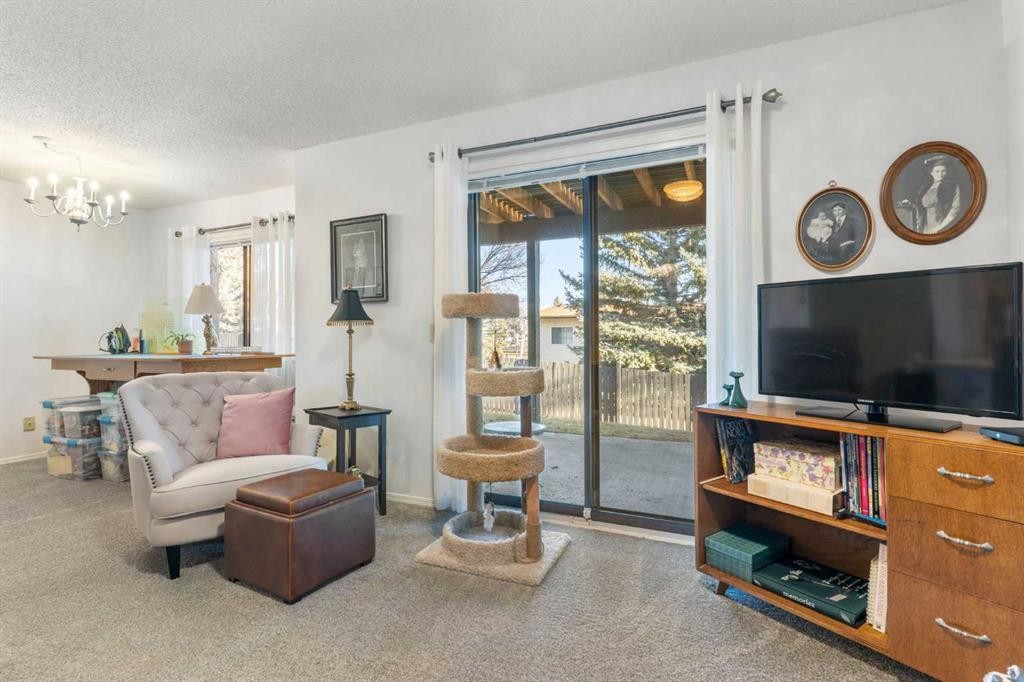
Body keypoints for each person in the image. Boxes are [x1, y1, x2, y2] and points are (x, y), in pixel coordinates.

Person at [898, 155, 962, 234]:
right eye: (937, 171)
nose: (940, 174)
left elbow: (955, 210)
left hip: (944, 227)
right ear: (931, 172)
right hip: (925, 227)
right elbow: (920, 207)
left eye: (943, 171)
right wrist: (910, 204)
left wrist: (938, 228)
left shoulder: (952, 187)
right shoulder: (925, 188)